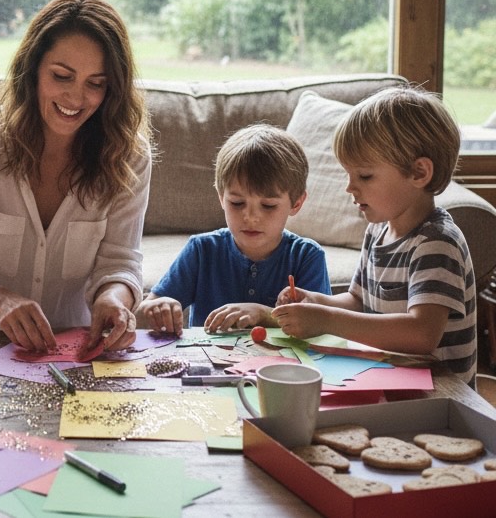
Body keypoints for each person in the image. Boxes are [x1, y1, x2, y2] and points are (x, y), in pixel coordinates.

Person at [0, 0, 151, 357]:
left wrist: (114, 299)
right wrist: (1, 303)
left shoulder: (129, 154)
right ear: (32, 69)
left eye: (95, 83)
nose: (76, 98)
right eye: (62, 76)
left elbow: (120, 261)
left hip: (81, 348)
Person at [274, 87, 477, 385]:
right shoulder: (378, 231)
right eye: (349, 175)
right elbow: (359, 300)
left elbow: (421, 335)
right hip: (392, 382)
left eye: (365, 176)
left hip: (440, 394)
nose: (350, 188)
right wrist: (315, 303)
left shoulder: (437, 243)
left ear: (419, 173)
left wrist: (327, 321)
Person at [137, 124, 330, 336]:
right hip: (210, 365)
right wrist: (158, 307)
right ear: (221, 197)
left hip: (283, 367)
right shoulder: (202, 250)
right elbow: (146, 310)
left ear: (296, 203)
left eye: (268, 206)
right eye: (237, 203)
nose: (250, 217)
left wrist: (263, 314)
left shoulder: (307, 256)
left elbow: (319, 325)